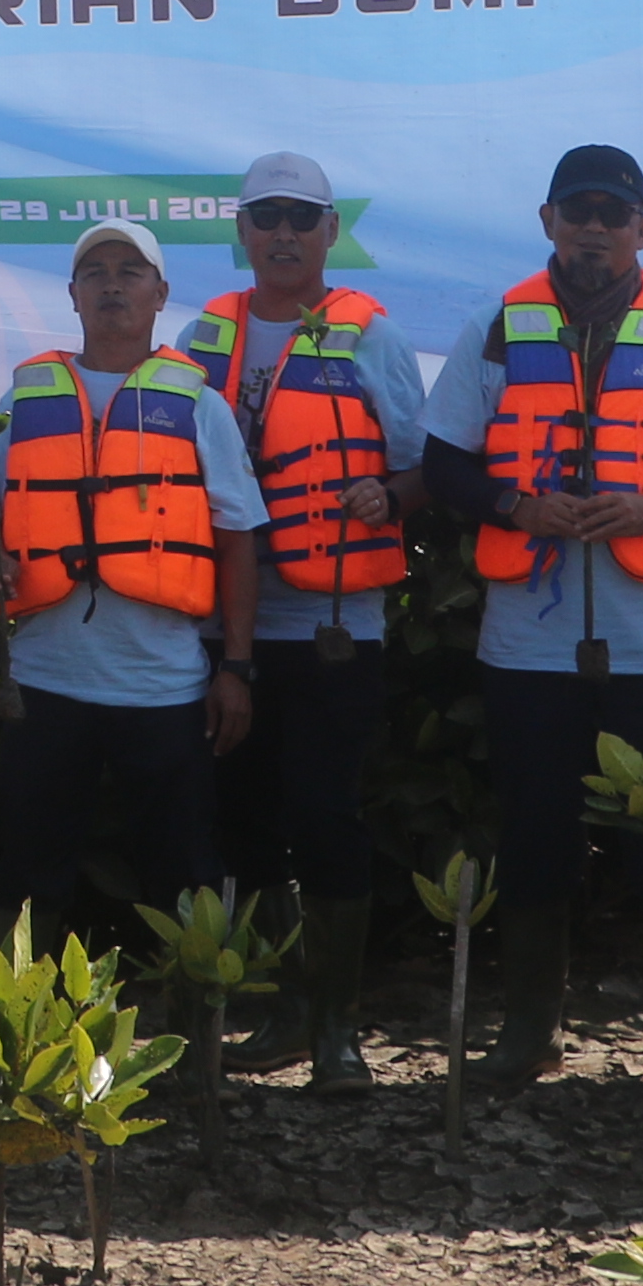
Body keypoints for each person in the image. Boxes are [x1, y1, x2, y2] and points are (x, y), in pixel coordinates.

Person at [424, 147, 643, 1091]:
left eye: (613, 213)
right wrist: (515, 507)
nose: (594, 227)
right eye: (577, 210)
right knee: (534, 833)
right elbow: (443, 464)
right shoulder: (499, 325)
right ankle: (530, 1030)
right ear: (548, 222)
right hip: (527, 640)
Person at [176, 152, 423, 1084]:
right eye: (266, 218)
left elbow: (419, 466)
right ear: (241, 232)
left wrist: (385, 497)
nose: (284, 235)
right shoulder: (202, 336)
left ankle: (336, 1027)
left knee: (326, 816)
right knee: (240, 823)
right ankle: (279, 1014)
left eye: (303, 219)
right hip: (222, 627)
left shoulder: (369, 335)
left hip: (331, 624)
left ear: (330, 234)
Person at [0, 221, 270, 943]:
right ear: (72, 295)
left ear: (160, 294)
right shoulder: (26, 397)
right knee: (29, 869)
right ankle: (17, 1038)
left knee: (183, 870)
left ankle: (193, 1038)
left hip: (164, 687)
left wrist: (238, 669)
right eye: (95, 272)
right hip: (45, 684)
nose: (112, 284)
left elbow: (237, 538)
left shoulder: (196, 402)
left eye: (130, 271)